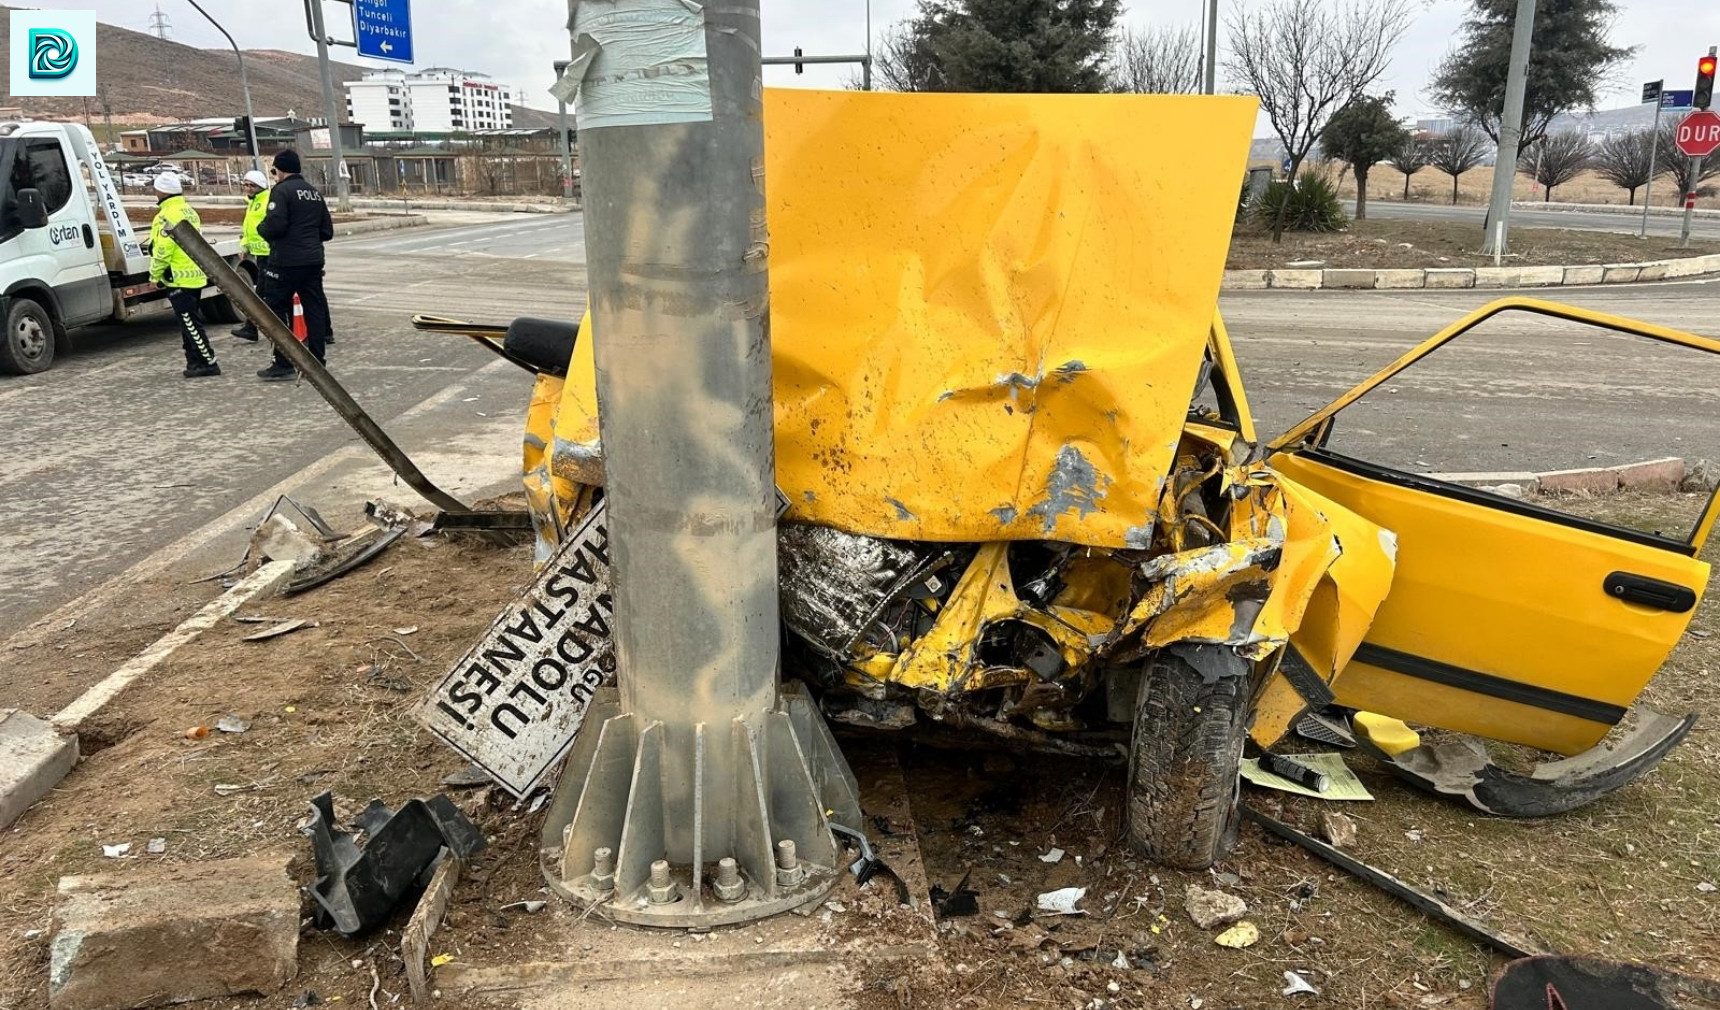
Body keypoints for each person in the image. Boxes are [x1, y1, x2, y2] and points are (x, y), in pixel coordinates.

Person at [255, 149, 334, 381]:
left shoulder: (281, 191)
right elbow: (327, 231)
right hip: (312, 261)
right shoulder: (314, 193)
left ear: (279, 170)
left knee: (275, 310)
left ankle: (283, 360)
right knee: (314, 309)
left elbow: (276, 226)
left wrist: (262, 229)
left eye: (274, 171)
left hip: (286, 263)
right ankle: (317, 360)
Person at [148, 173, 219, 378]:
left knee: (190, 323)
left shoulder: (166, 215)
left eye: (156, 188)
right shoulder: (189, 210)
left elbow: (163, 249)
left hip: (178, 277)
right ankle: (194, 362)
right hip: (193, 275)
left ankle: (208, 361)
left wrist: (154, 275)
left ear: (162, 191)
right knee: (189, 322)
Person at [230, 169, 271, 341]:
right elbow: (249, 228)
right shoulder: (253, 202)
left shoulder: (267, 200)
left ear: (260, 186)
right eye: (245, 184)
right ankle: (251, 327)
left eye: (251, 185)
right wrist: (245, 247)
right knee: (260, 294)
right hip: (259, 254)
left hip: (270, 254)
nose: (248, 188)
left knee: (263, 294)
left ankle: (252, 327)